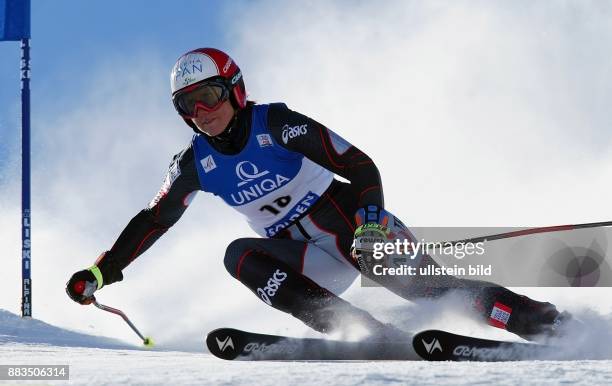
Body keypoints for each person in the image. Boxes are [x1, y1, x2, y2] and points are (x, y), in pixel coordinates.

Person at [67, 48, 568, 341]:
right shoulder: (193, 165)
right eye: (188, 104)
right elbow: (153, 220)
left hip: (358, 231)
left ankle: (538, 321)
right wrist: (101, 271)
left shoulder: (277, 124)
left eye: (210, 95)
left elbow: (359, 164)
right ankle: (360, 331)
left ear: (234, 90)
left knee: (424, 288)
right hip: (307, 257)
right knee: (238, 255)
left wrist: (371, 223)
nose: (202, 110)